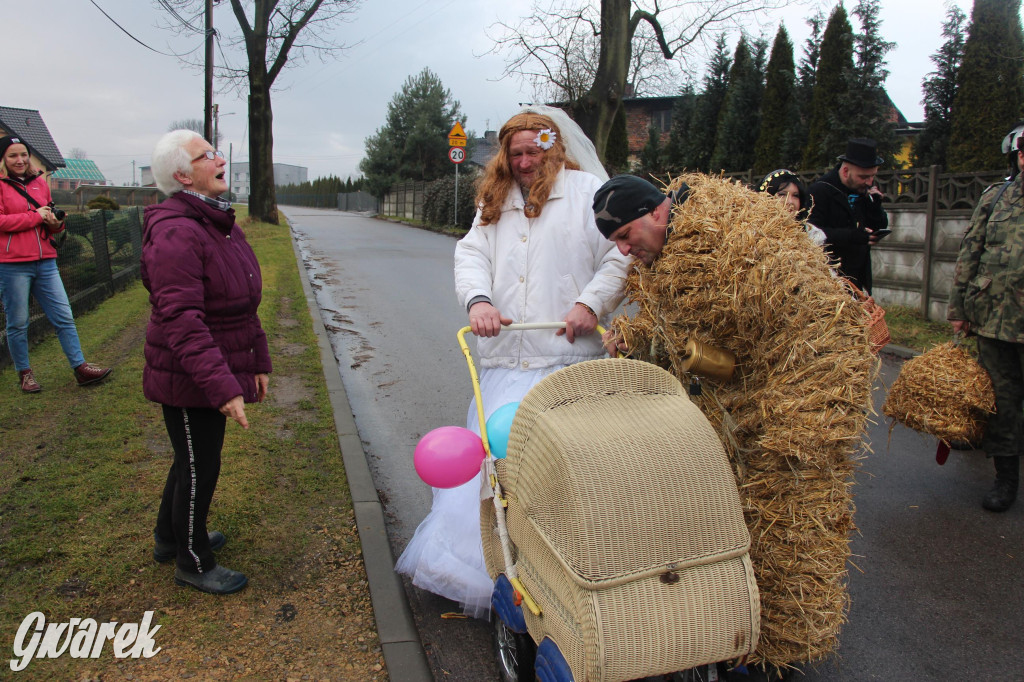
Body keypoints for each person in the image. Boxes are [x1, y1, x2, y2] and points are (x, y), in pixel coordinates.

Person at [396, 106, 630, 618]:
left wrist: (590, 304)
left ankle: (559, 582)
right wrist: (478, 300)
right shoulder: (493, 199)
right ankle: (479, 569)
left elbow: (621, 254)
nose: (525, 162)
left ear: (554, 148)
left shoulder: (589, 192)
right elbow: (471, 254)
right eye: (516, 153)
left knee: (555, 481)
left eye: (534, 151)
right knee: (490, 473)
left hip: (565, 362)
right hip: (507, 361)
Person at [142, 129, 271, 594]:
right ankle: (192, 560)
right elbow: (182, 321)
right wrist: (223, 387)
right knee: (199, 466)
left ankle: (168, 538)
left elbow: (243, 301)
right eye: (207, 155)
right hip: (188, 374)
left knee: (190, 460)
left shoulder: (218, 221)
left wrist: (257, 359)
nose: (219, 159)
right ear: (182, 174)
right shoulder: (177, 232)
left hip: (211, 365)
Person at [947, 123, 1024, 513]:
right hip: (995, 320)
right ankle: (1006, 479)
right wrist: (959, 310)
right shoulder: (996, 199)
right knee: (1002, 403)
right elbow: (970, 252)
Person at [0, 135, 112, 393]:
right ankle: (25, 373)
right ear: (3, 159)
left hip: (46, 261)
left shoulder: (41, 183)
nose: (20, 160)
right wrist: (34, 216)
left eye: (23, 154)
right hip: (13, 264)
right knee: (18, 322)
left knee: (64, 316)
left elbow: (49, 221)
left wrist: (55, 224)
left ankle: (80, 367)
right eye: (13, 155)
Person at [807, 138, 890, 292]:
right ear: (846, 171)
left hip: (857, 280)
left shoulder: (863, 191)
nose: (869, 182)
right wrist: (853, 236)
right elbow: (811, 234)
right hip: (827, 279)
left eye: (873, 176)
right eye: (864, 177)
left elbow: (878, 226)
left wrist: (875, 207)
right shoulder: (820, 192)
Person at [758, 168, 827, 246]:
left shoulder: (812, 234)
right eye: (782, 194)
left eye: (795, 195)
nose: (790, 201)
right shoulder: (752, 232)